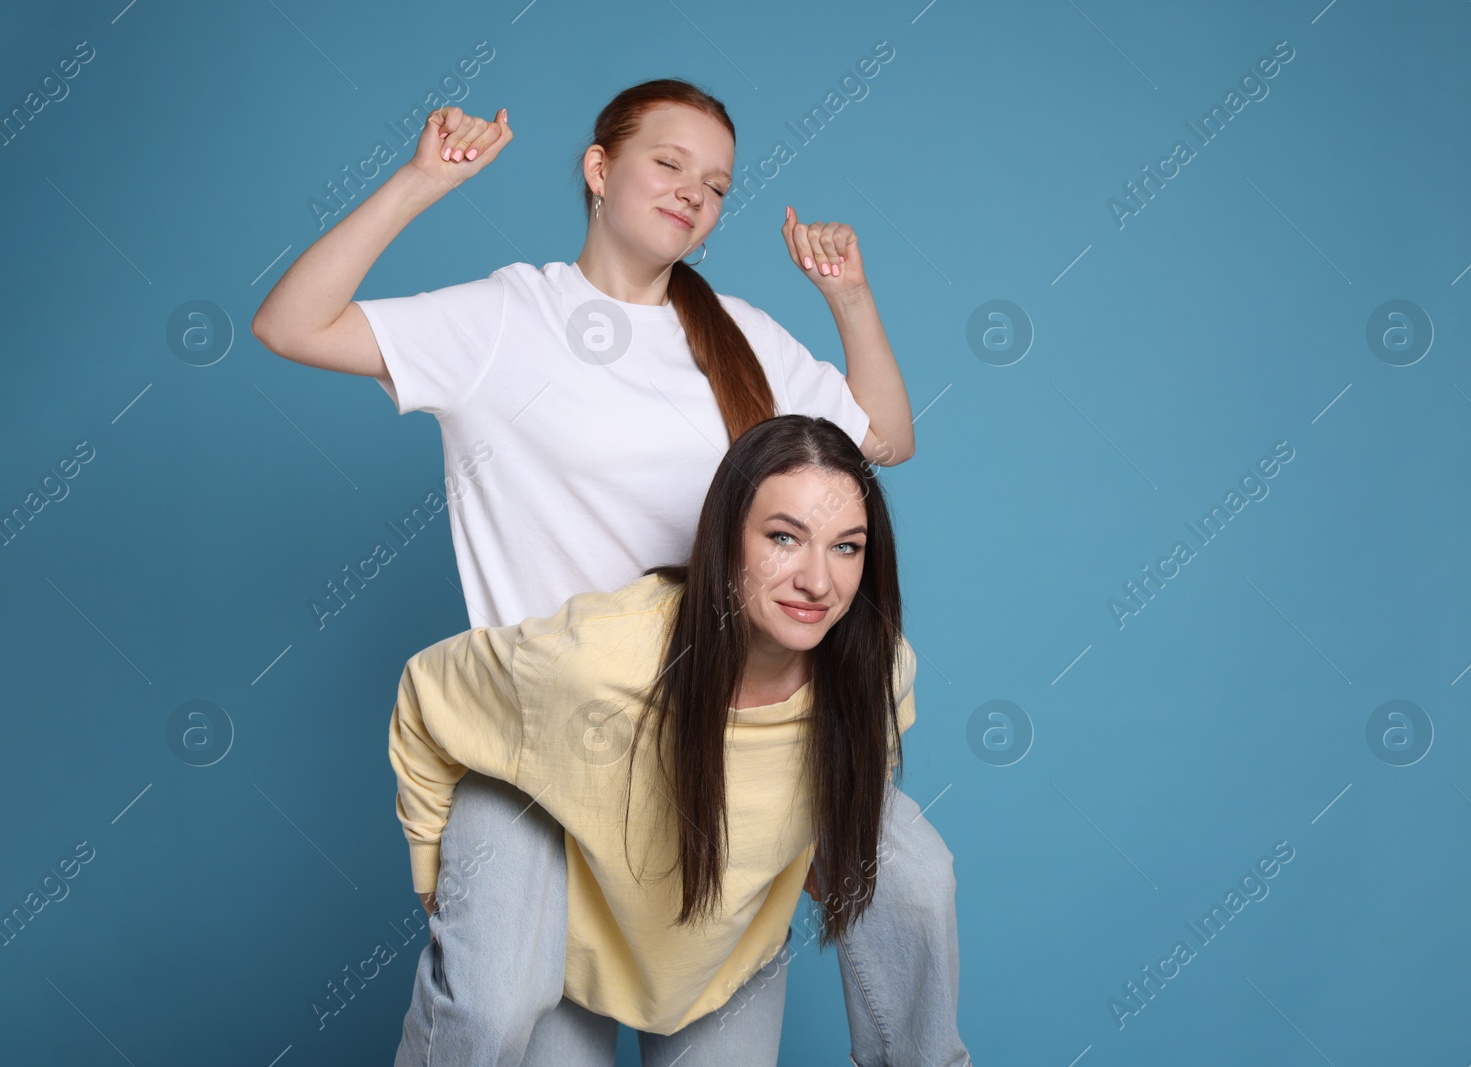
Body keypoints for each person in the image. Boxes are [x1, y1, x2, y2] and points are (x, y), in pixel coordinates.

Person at [252, 77, 966, 1066]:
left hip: (723, 751)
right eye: (667, 163)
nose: (691, 193)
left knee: (911, 874)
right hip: (546, 748)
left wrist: (848, 297)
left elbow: (883, 435)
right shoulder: (509, 318)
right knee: (502, 1022)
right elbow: (290, 324)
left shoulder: (743, 337)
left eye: (714, 185)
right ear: (599, 169)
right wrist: (418, 183)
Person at [392, 415, 912, 1063]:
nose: (817, 581)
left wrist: (818, 841)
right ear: (728, 539)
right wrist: (428, 862)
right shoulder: (601, 659)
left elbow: (874, 760)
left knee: (918, 870)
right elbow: (426, 688)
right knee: (490, 1009)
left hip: (713, 956)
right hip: (570, 925)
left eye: (846, 546)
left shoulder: (876, 667)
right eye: (785, 537)